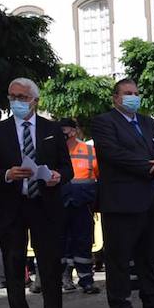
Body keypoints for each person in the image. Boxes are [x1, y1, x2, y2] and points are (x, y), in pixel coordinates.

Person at [0, 78, 80, 308]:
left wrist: (58, 176)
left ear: (35, 101)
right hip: (12, 205)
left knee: (50, 264)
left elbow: (67, 167)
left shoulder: (51, 129)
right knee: (14, 265)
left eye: (23, 97)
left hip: (45, 204)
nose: (17, 102)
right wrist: (7, 174)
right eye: (12, 96)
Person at [92, 78, 154, 308]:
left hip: (152, 199)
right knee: (119, 258)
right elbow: (113, 154)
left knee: (149, 255)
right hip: (122, 201)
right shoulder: (104, 122)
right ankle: (121, 307)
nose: (133, 97)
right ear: (116, 98)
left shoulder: (148, 122)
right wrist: (149, 167)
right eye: (127, 93)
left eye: (135, 93)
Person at [59, 118, 100, 294]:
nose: (63, 134)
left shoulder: (90, 151)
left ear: (74, 131)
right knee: (61, 242)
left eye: (65, 130)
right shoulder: (53, 150)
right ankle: (63, 278)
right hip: (60, 203)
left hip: (83, 204)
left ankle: (86, 280)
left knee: (83, 242)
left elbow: (98, 176)